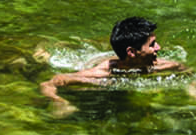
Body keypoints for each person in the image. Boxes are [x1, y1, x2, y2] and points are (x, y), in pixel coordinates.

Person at [39, 16, 187, 115]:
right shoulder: (101, 73)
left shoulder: (159, 64)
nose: (159, 48)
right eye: (152, 45)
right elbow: (49, 83)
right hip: (90, 62)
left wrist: (193, 89)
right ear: (132, 52)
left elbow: (184, 69)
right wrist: (59, 101)